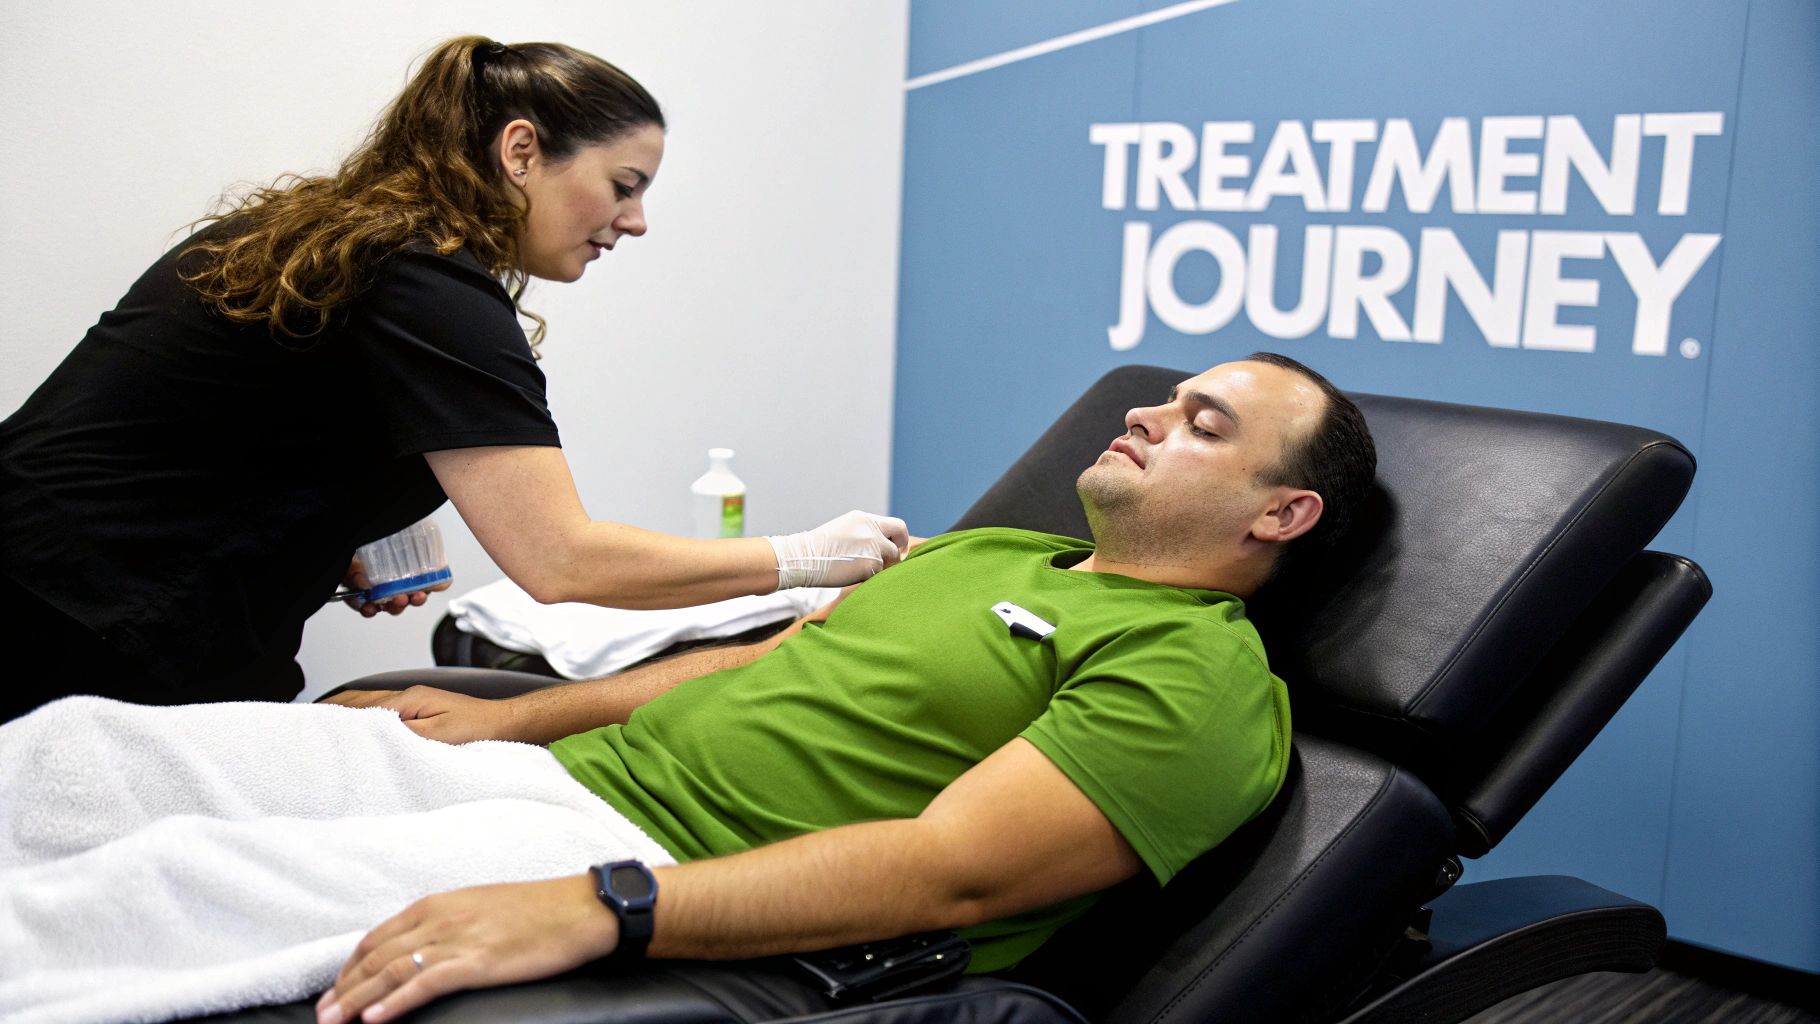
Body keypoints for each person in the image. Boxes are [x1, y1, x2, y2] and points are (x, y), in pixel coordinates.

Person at [0, 355, 1377, 1024]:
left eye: (1207, 426)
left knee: (176, 884)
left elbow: (947, 875)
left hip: (648, 860)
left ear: (1284, 517)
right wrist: (511, 716)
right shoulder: (1004, 551)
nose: (1149, 413)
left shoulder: (1192, 675)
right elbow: (766, 664)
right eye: (1167, 397)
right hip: (549, 780)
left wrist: (607, 906)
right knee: (83, 754)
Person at [0, 36, 907, 723]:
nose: (636, 222)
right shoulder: (425, 276)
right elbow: (560, 561)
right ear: (521, 152)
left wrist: (325, 545)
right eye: (623, 184)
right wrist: (803, 560)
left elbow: (210, 447)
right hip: (68, 633)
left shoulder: (340, 239)